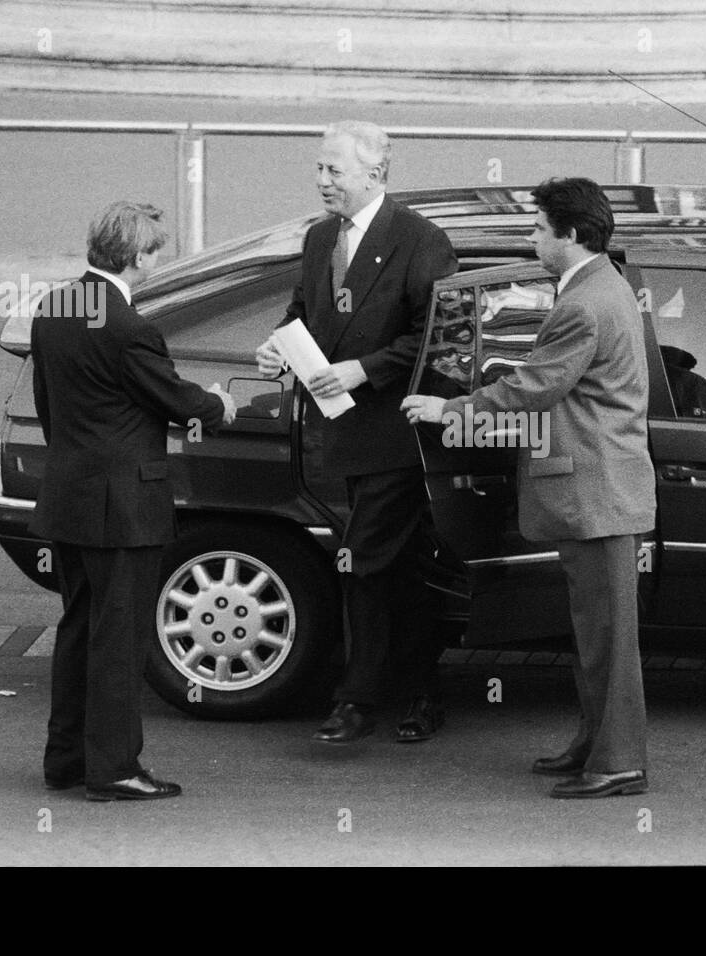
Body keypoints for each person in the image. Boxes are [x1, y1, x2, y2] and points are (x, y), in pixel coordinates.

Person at [403, 177, 656, 798]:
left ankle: (618, 761)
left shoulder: (583, 305)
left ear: (569, 235)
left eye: (539, 229)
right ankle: (594, 744)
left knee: (608, 642)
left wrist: (448, 411)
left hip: (595, 497)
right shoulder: (600, 285)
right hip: (598, 494)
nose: (531, 238)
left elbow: (531, 388)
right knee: (592, 635)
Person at [256, 121, 458, 745]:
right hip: (338, 438)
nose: (322, 181)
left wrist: (364, 369)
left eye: (333, 171)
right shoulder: (321, 239)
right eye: (319, 169)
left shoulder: (421, 240)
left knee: (360, 561)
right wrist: (279, 347)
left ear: (374, 175)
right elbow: (301, 314)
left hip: (397, 439)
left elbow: (437, 336)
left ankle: (356, 697)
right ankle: (418, 690)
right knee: (398, 569)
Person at [31, 201, 236, 801]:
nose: (157, 262)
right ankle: (114, 768)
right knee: (118, 641)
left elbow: (49, 405)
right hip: (123, 506)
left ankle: (65, 759)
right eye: (155, 253)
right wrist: (219, 405)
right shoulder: (129, 328)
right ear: (135, 255)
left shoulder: (55, 307)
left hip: (70, 495)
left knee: (78, 631)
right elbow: (173, 398)